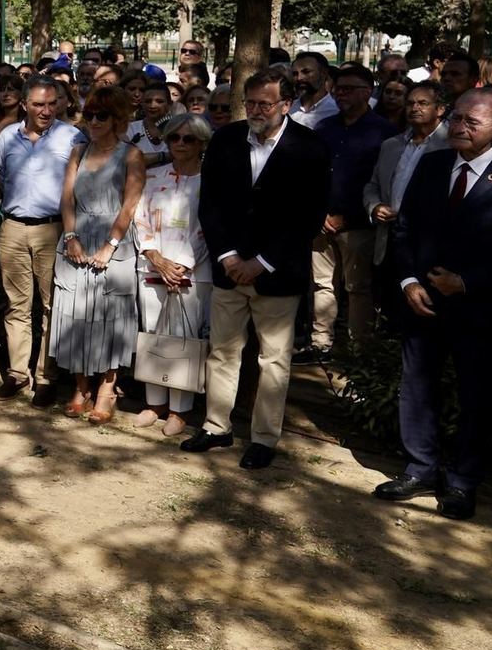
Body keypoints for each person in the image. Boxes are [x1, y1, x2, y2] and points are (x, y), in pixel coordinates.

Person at [377, 89, 492, 519]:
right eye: (456, 119)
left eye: (473, 122)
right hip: (423, 303)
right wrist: (410, 282)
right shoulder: (432, 165)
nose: (460, 127)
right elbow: (405, 229)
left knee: (476, 397)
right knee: (417, 387)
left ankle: (464, 480)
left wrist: (465, 282)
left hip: (482, 310)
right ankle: (421, 467)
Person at [186, 68, 332, 468]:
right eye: (250, 102)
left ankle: (264, 439)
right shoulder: (225, 139)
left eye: (264, 104)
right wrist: (229, 257)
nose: (255, 110)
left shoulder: (311, 147)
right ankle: (216, 427)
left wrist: (262, 262)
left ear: (286, 105)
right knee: (222, 353)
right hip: (228, 269)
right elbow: (210, 204)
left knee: (274, 360)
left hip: (278, 273)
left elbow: (308, 216)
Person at [51, 85, 146, 423]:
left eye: (101, 115)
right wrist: (71, 236)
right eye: (89, 114)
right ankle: (81, 387)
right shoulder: (78, 151)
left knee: (111, 315)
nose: (93, 120)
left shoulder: (131, 154)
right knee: (75, 312)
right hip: (76, 239)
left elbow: (130, 204)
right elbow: (67, 199)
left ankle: (107, 390)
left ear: (118, 118)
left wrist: (111, 245)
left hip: (114, 243)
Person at [0, 76, 86, 406]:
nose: (45, 110)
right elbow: (1, 178)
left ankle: (46, 377)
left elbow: (80, 184)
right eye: (38, 104)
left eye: (51, 103)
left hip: (54, 229)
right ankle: (18, 374)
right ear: (24, 105)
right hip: (14, 227)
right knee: (16, 305)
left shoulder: (72, 136)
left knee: (51, 306)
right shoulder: (7, 136)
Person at [298, 64, 394, 362]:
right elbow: (311, 175)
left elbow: (381, 183)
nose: (342, 94)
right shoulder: (325, 127)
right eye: (338, 88)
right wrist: (320, 214)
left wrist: (346, 217)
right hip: (321, 222)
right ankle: (320, 344)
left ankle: (358, 350)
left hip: (359, 225)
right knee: (322, 285)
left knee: (357, 289)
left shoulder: (384, 132)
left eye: (350, 88)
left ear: (368, 92)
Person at [132, 111, 211, 436]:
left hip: (192, 271)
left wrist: (182, 266)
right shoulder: (153, 177)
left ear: (201, 143)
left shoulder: (211, 180)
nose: (179, 144)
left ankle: (180, 410)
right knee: (153, 332)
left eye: (188, 138)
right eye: (174, 137)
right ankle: (154, 403)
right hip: (153, 267)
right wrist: (156, 258)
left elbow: (209, 226)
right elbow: (140, 217)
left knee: (185, 337)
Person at [363, 81, 447, 316]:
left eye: (423, 103)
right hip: (388, 238)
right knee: (385, 308)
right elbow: (372, 185)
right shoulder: (392, 144)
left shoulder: (452, 145)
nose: (414, 108)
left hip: (427, 245)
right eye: (410, 103)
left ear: (440, 109)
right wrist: (375, 206)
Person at [127, 82, 174, 169]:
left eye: (159, 101)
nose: (152, 106)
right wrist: (163, 156)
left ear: (170, 104)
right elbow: (124, 161)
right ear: (141, 103)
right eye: (148, 101)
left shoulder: (178, 129)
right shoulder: (129, 129)